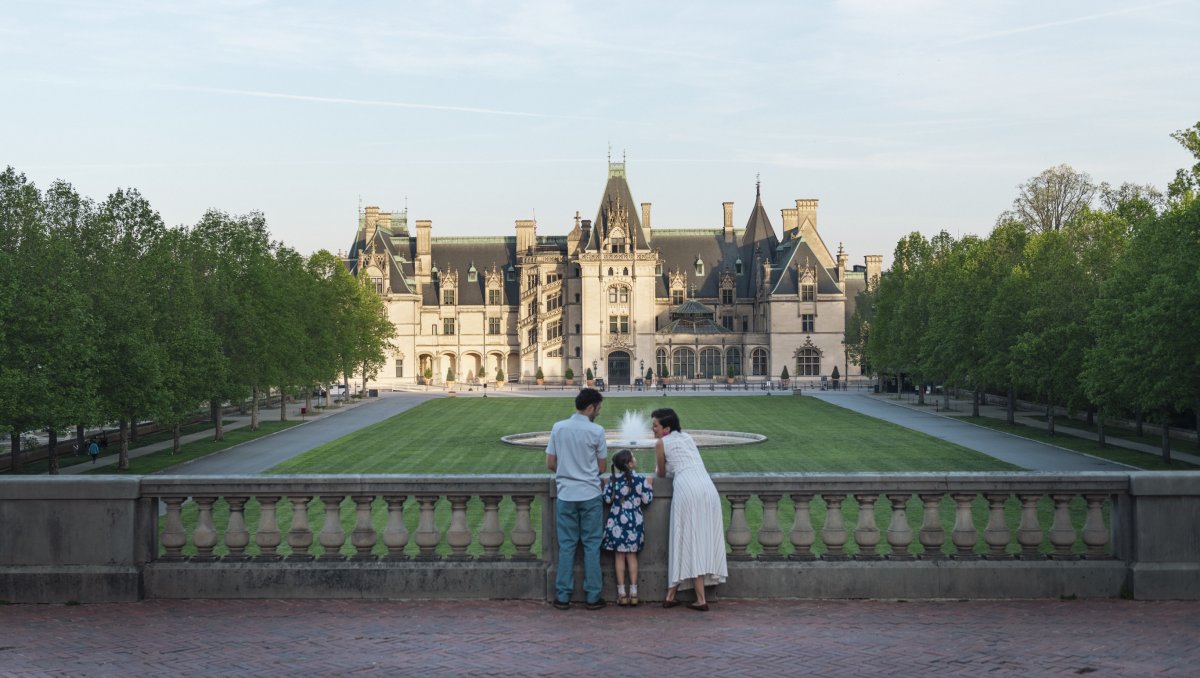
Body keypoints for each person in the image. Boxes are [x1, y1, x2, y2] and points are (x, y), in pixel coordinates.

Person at [653, 407, 727, 611]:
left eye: (656, 426)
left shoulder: (661, 443)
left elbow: (660, 473)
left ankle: (694, 598)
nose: (653, 430)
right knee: (699, 540)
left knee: (684, 539)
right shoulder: (687, 438)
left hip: (686, 488)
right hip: (706, 486)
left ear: (666, 428)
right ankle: (678, 596)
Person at [546, 387, 608, 610]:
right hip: (590, 494)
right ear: (590, 407)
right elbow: (602, 467)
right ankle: (592, 596)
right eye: (598, 408)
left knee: (567, 546)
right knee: (592, 546)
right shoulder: (597, 431)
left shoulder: (558, 428)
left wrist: (568, 471)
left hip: (566, 494)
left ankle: (563, 596)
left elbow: (551, 463)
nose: (598, 412)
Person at [601, 449, 654, 606]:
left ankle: (622, 594)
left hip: (616, 522)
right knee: (632, 558)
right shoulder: (640, 480)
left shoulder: (613, 480)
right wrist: (649, 485)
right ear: (630, 463)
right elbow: (647, 500)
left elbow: (607, 500)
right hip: (634, 523)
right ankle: (634, 593)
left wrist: (605, 486)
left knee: (619, 558)